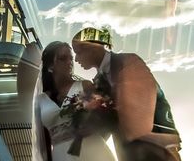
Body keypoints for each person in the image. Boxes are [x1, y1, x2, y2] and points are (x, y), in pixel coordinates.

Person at [72, 27, 182, 161]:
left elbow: (152, 100)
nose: (76, 59)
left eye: (78, 52)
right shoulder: (97, 83)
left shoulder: (129, 62)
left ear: (93, 48)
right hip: (128, 152)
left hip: (157, 146)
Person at [34, 41, 116, 161]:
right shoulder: (40, 100)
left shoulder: (85, 86)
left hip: (94, 153)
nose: (69, 62)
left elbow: (108, 118)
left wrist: (92, 127)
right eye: (63, 58)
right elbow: (42, 143)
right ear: (50, 66)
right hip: (61, 156)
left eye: (71, 58)